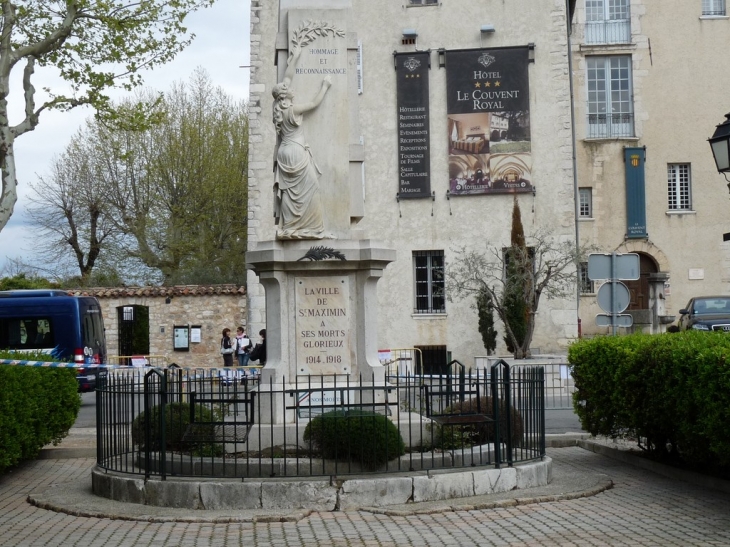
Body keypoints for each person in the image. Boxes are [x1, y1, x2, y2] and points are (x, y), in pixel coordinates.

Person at [272, 42, 332, 240]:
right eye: (288, 90)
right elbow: (315, 103)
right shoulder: (293, 109)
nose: (292, 89)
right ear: (285, 95)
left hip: (284, 153)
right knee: (312, 185)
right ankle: (313, 228)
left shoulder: (278, 109)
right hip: (297, 152)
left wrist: (295, 57)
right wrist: (325, 86)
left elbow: (287, 78)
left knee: (289, 192)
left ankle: (290, 226)